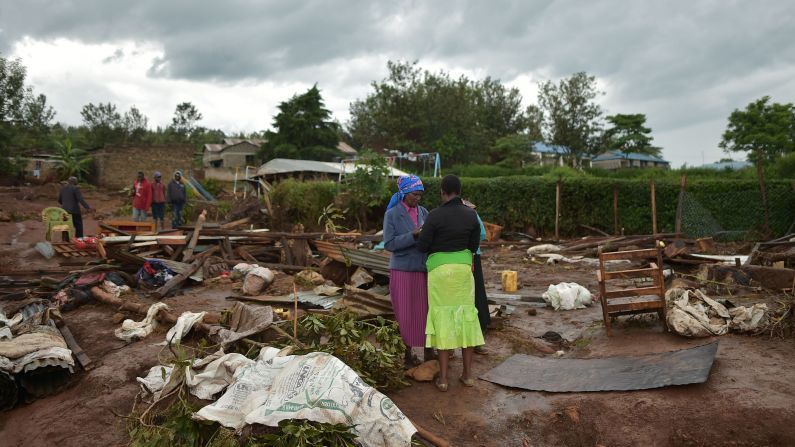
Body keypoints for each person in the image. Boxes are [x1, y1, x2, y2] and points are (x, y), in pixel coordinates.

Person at [416, 175, 484, 392]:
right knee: (466, 316)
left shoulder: (434, 216)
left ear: (443, 192)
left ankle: (444, 379)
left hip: (439, 272)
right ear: (459, 191)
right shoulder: (471, 214)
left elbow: (422, 246)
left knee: (443, 317)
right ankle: (467, 375)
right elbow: (474, 246)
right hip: (463, 271)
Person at [383, 174, 433, 365]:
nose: (417, 199)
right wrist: (412, 235)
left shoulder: (424, 212)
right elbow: (388, 243)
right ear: (404, 193)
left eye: (420, 195)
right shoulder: (392, 214)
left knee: (426, 311)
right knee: (405, 313)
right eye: (414, 195)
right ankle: (407, 355)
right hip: (402, 270)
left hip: (422, 269)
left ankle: (429, 351)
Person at [463, 199, 491, 354]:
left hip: (470, 257)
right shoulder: (469, 213)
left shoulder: (471, 214)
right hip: (462, 258)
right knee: (470, 296)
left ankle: (477, 339)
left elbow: (481, 234)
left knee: (475, 296)